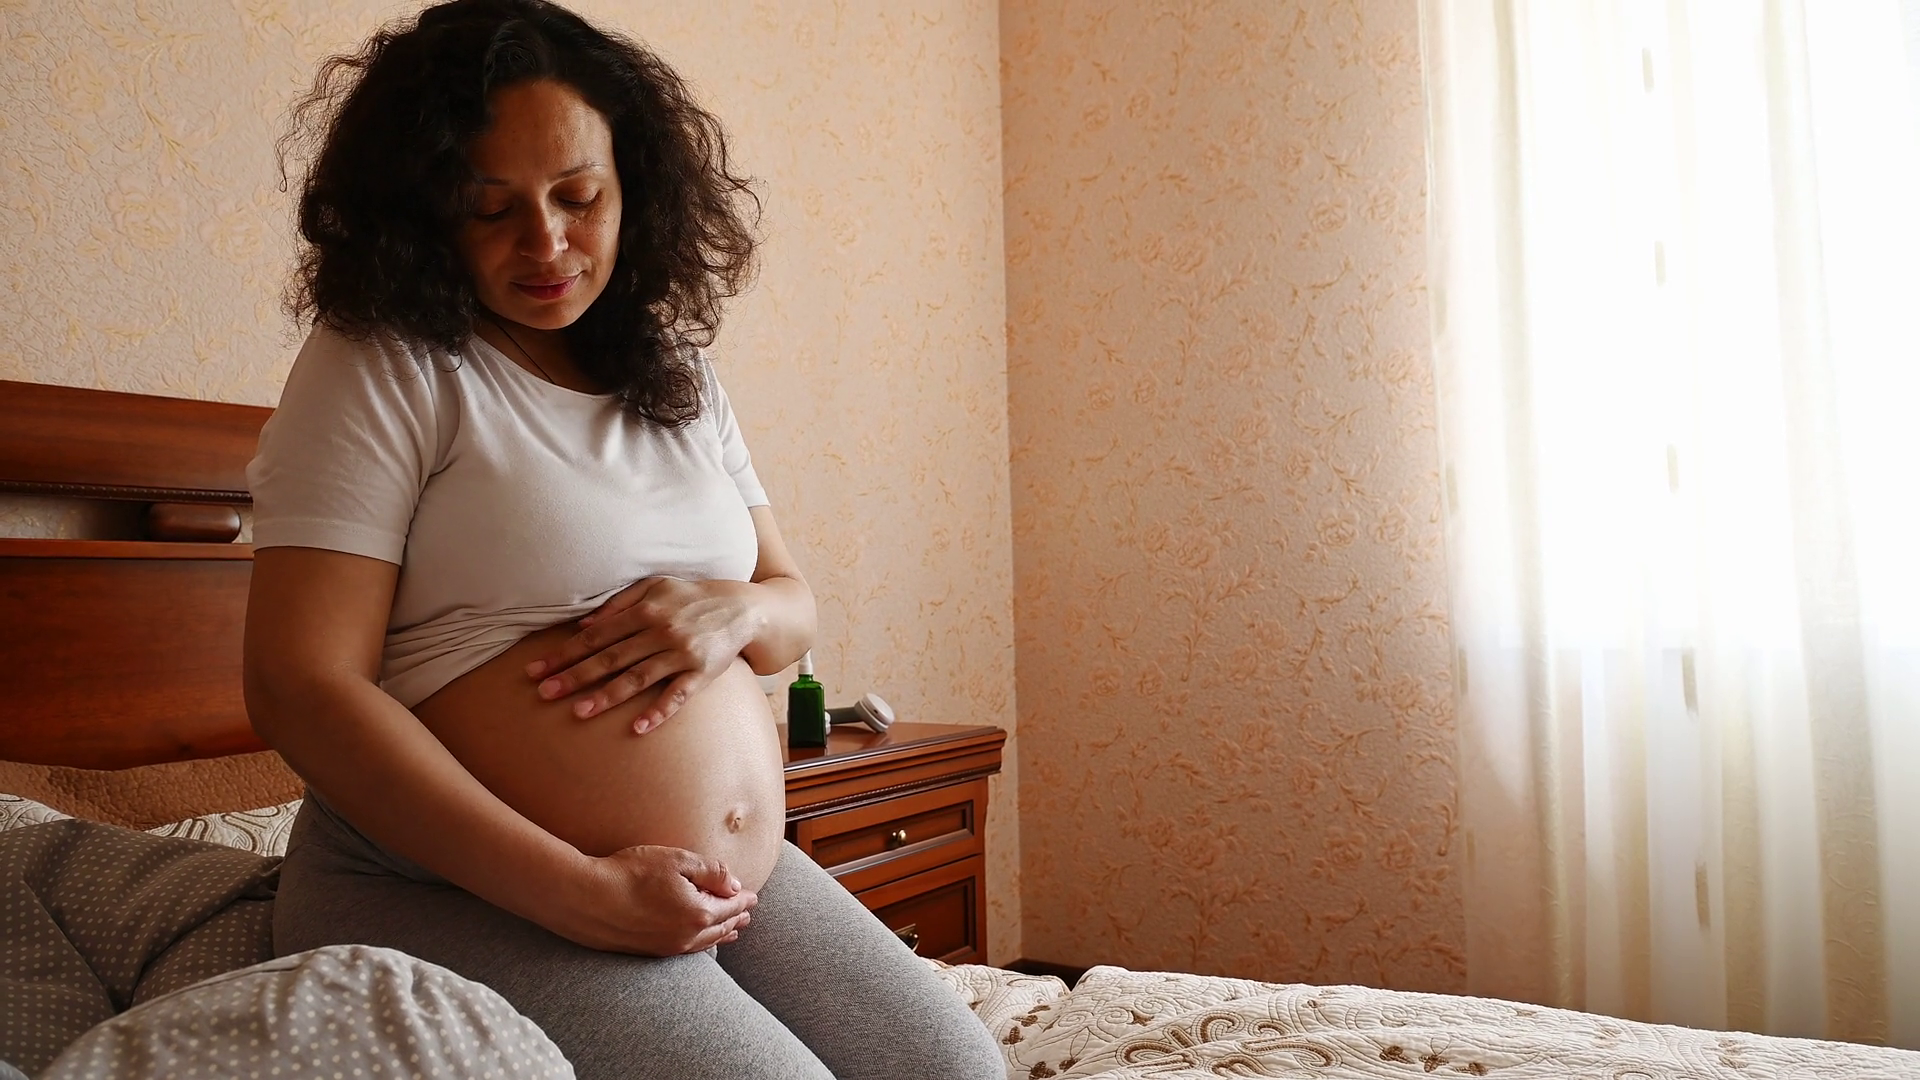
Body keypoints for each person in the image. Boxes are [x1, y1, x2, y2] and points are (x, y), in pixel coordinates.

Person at [242, 2, 1004, 1077]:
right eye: (490, 207)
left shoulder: (673, 372)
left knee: (957, 1069)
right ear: (421, 213)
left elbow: (789, 611)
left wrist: (734, 610)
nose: (546, 242)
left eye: (578, 196)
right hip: (441, 881)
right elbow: (301, 684)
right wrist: (579, 894)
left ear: (632, 186)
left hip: (721, 879)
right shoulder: (387, 362)